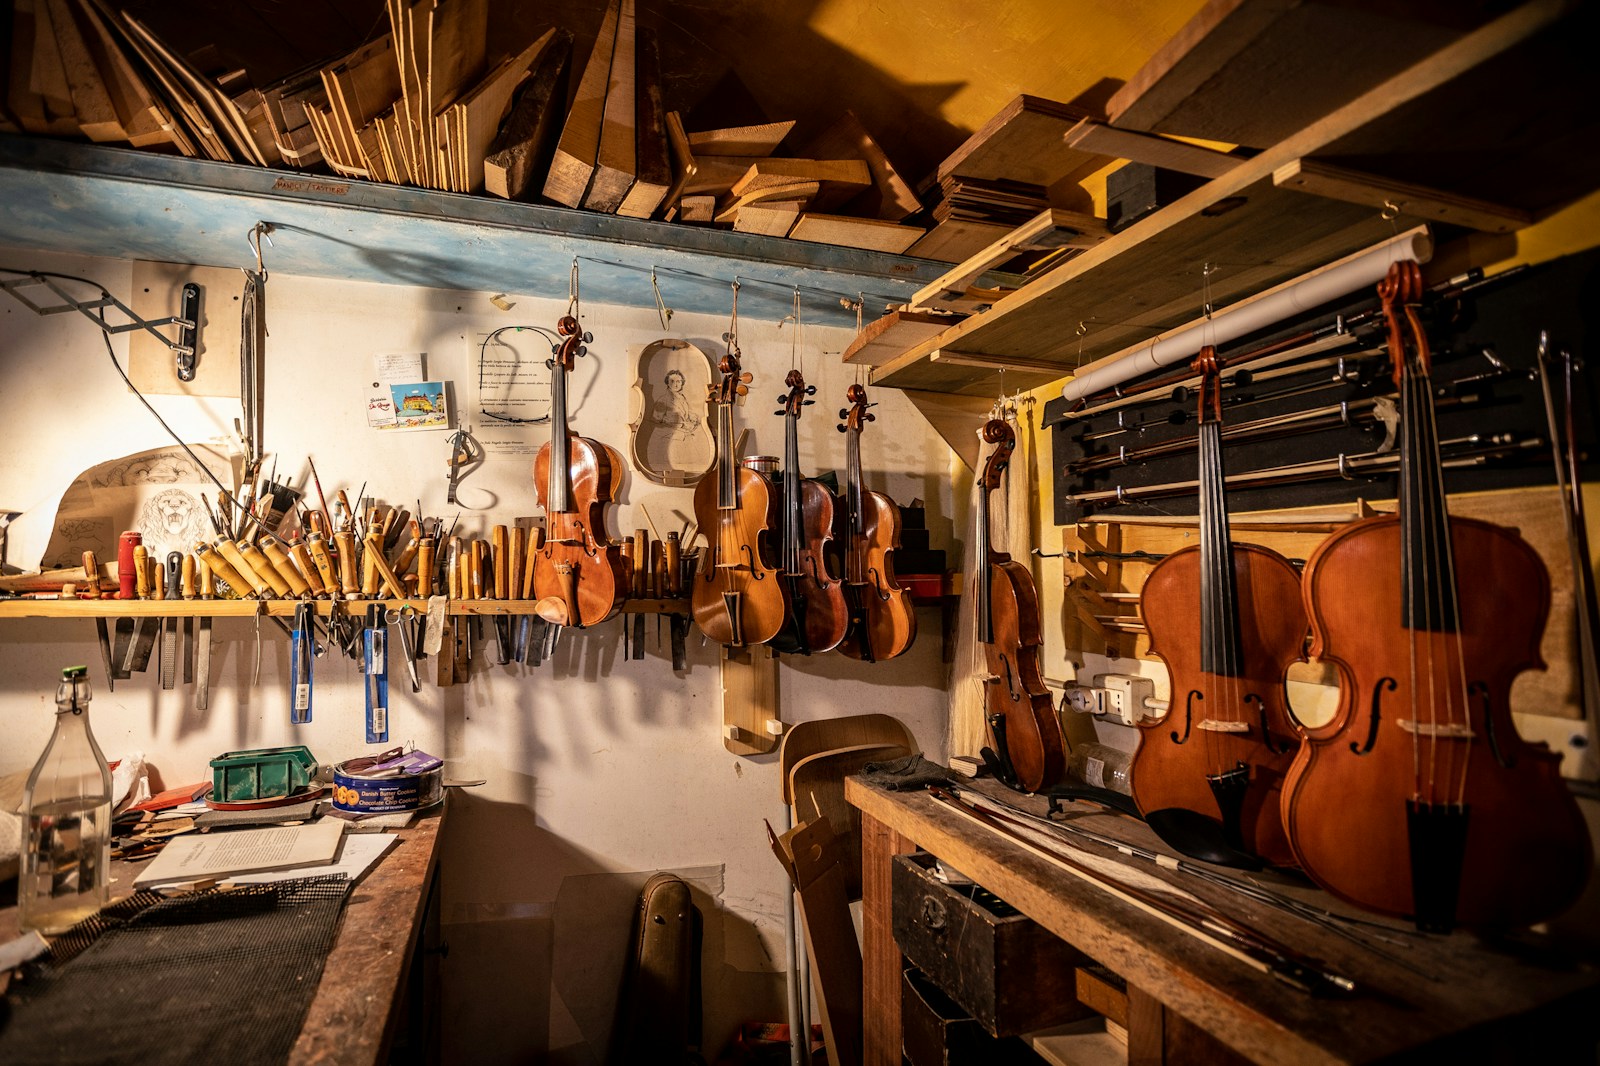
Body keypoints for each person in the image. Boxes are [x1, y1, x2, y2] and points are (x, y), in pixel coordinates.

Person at [651, 368, 701, 441]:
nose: (675, 384)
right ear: (667, 383)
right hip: (672, 439)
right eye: (672, 381)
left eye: (678, 381)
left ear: (682, 383)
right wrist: (682, 429)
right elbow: (656, 424)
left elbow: (687, 414)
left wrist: (693, 419)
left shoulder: (682, 398)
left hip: (686, 434)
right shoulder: (663, 400)